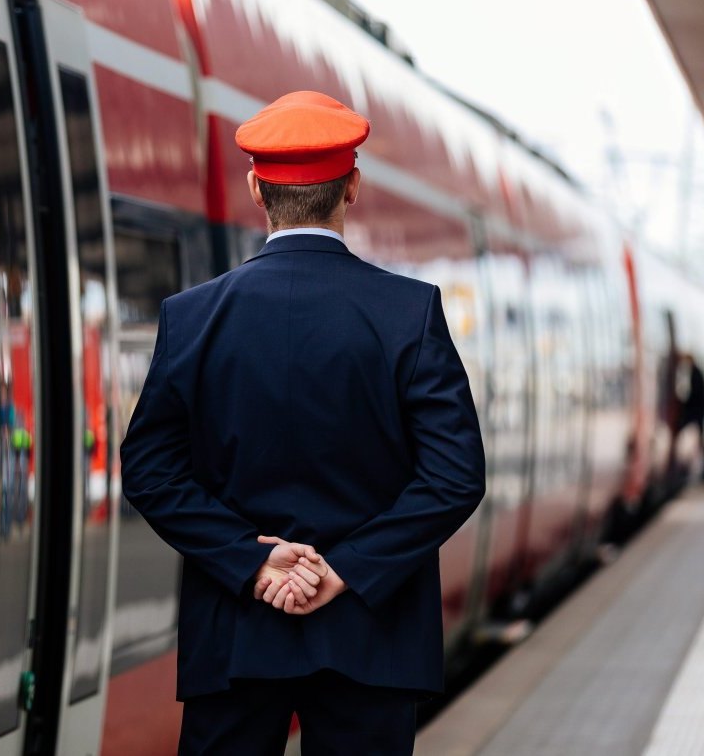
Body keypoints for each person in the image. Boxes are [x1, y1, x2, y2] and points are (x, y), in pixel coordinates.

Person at [120, 91, 486, 755]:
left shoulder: (192, 317)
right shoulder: (410, 314)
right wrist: (346, 570)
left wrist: (254, 563)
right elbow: (456, 477)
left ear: (256, 189)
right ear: (352, 187)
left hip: (234, 634)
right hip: (371, 638)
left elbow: (148, 469)